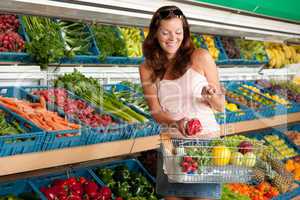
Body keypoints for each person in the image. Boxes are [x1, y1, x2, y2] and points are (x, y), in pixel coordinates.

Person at [139, 5, 225, 200]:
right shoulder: (147, 68)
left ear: (184, 33)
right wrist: (176, 123)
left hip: (205, 145)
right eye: (165, 32)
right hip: (172, 146)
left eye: (178, 32)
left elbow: (220, 106)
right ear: (155, 33)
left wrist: (211, 96)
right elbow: (156, 112)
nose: (172, 38)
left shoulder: (200, 56)